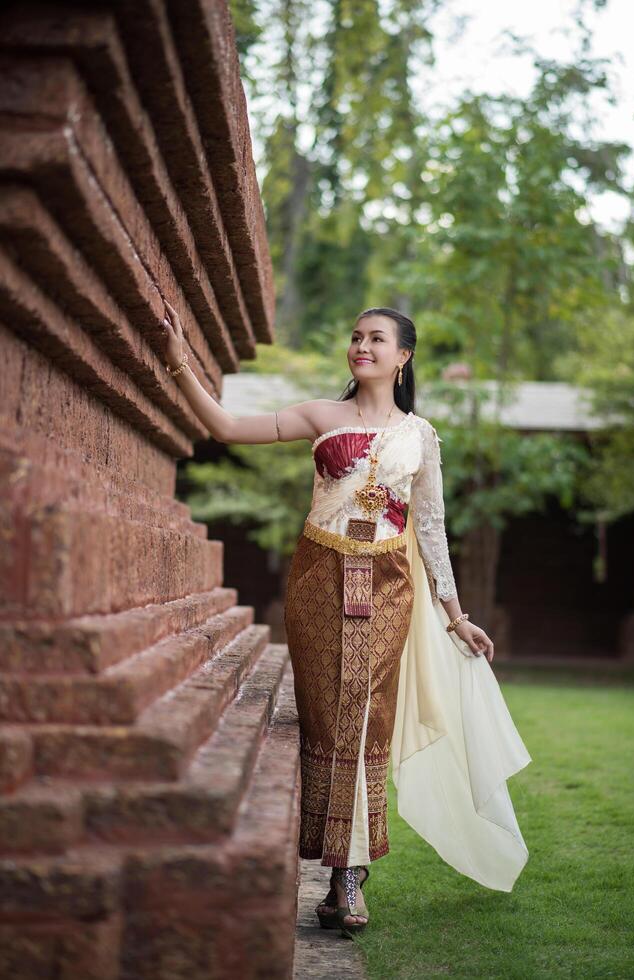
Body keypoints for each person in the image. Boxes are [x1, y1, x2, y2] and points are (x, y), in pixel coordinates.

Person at [160, 300, 532, 939]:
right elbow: (223, 427)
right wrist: (176, 362)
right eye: (356, 336)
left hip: (388, 585)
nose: (362, 346)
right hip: (317, 582)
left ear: (403, 355)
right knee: (327, 719)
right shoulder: (319, 417)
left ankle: (349, 876)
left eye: (377, 339)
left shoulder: (420, 436)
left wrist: (455, 615)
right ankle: (334, 865)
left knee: (365, 720)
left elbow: (432, 529)